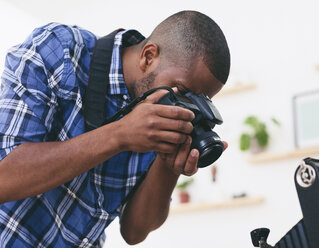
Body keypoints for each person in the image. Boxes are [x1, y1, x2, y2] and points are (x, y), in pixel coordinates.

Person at [0, 10, 230, 247]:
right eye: (182, 92)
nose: (185, 108)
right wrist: (120, 134)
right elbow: (4, 178)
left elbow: (134, 232)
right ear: (148, 57)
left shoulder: (160, 108)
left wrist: (168, 165)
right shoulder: (60, 50)